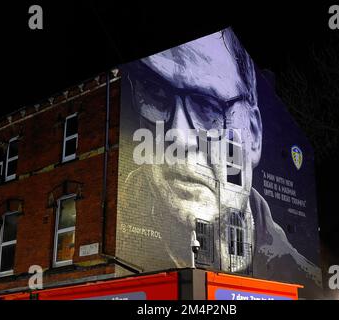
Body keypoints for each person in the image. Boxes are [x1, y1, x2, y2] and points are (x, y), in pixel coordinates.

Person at [119, 28, 322, 296]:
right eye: (155, 92)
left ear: (253, 134)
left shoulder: (305, 281)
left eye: (207, 106)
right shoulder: (118, 231)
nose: (178, 136)